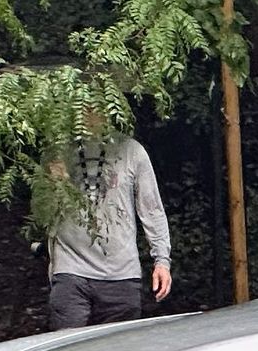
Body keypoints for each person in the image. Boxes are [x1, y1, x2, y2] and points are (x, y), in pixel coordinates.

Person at [46, 122, 173, 329]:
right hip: (71, 268)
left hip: (121, 273)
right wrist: (53, 184)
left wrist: (162, 261)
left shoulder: (132, 150)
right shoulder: (58, 150)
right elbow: (43, 213)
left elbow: (152, 209)